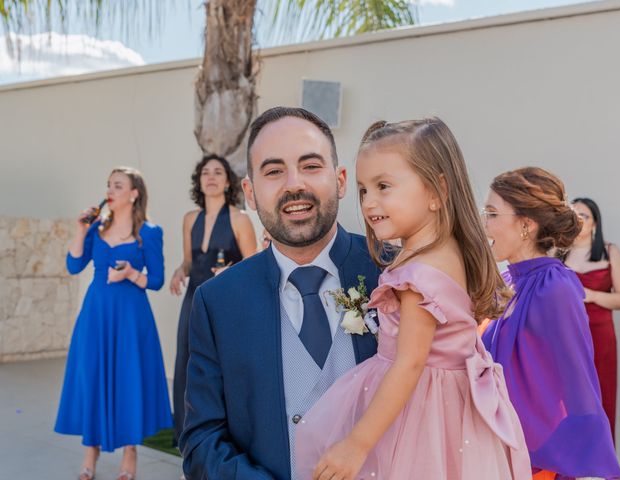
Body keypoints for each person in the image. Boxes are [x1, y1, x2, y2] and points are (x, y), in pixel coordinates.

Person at [296, 118, 531, 480]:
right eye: (363, 190)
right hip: (453, 412)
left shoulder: (417, 274)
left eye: (383, 186)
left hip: (420, 414)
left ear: (437, 191)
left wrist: (356, 444)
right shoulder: (448, 251)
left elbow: (409, 364)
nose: (369, 203)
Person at [179, 107, 380, 479]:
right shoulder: (217, 302)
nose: (294, 185)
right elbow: (200, 438)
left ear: (340, 180)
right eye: (274, 172)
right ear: (250, 193)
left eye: (311, 166)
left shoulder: (396, 273)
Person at [481, 168, 620, 480]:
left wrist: (590, 466)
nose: (484, 223)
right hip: (496, 445)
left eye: (492, 213)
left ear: (526, 225)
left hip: (536, 458)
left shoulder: (554, 285)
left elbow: (578, 379)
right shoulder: (508, 280)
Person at [55, 167, 173, 480]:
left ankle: (130, 451)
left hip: (131, 318)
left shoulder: (149, 231)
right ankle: (90, 449)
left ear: (134, 193)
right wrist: (81, 229)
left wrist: (131, 274)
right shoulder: (96, 228)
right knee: (92, 376)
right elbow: (73, 264)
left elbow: (158, 280)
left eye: (118, 185)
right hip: (96, 314)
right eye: (108, 185)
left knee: (127, 379)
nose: (110, 190)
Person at [169, 153, 257, 446]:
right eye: (205, 172)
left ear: (227, 181)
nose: (211, 177)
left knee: (222, 368)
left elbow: (253, 265)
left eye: (217, 172)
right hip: (193, 298)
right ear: (199, 180)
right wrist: (179, 272)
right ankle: (187, 439)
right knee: (185, 363)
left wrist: (229, 273)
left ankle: (223, 437)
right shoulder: (189, 218)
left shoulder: (239, 219)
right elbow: (188, 261)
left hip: (226, 303)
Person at [564, 197, 620, 442]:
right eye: (573, 214)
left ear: (594, 224)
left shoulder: (609, 251)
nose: (578, 220)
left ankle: (599, 472)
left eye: (584, 216)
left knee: (600, 396)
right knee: (568, 399)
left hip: (600, 335)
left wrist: (591, 295)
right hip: (567, 337)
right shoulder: (558, 253)